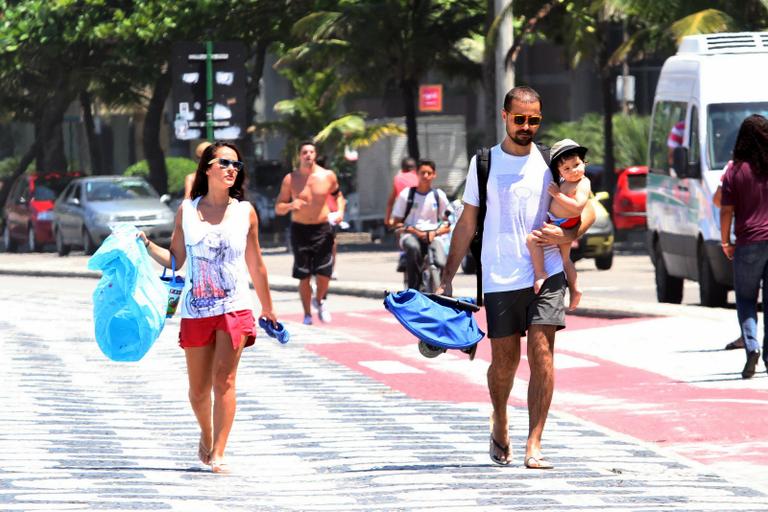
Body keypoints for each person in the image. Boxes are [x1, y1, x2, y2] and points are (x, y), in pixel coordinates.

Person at [437, 86, 595, 469]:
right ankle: (500, 418)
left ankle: (535, 443)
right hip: (499, 275)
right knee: (504, 362)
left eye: (534, 120)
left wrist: (571, 234)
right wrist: (446, 279)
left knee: (542, 355)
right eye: (520, 119)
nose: (527, 127)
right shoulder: (484, 163)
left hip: (546, 272)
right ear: (504, 116)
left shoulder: (550, 161)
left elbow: (587, 205)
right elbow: (467, 222)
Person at [139, 141, 278, 474]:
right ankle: (206, 432)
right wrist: (145, 244)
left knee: (224, 381)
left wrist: (267, 307)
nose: (232, 169)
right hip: (196, 309)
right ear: (207, 168)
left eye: (237, 165)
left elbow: (256, 264)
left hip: (235, 307)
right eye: (224, 163)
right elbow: (176, 259)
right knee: (199, 391)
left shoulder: (245, 212)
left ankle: (219, 451)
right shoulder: (188, 211)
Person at [719, 114, 768, 379]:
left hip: (748, 242)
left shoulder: (735, 171)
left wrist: (725, 240)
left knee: (747, 299)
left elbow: (726, 210)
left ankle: (752, 348)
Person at [275, 141, 341, 325]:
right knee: (303, 275)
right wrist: (290, 205)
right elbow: (278, 208)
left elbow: (338, 196)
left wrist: (340, 212)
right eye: (305, 152)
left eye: (311, 152)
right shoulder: (291, 179)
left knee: (324, 273)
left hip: (322, 228)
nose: (308, 155)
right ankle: (307, 314)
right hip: (300, 230)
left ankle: (319, 300)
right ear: (299, 156)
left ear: (316, 154)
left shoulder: (327, 176)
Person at [526, 139, 591, 310]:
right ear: (559, 171)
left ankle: (540, 273)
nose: (573, 171)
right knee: (565, 259)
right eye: (566, 168)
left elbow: (578, 208)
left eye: (576, 164)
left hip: (565, 223)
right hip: (557, 221)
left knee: (532, 239)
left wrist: (557, 195)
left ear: (584, 162)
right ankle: (575, 289)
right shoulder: (564, 182)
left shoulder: (583, 182)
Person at [390, 159, 452, 290]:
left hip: (433, 235)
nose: (426, 176)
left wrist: (435, 232)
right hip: (411, 235)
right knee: (413, 248)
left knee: (441, 260)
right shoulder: (406, 195)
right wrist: (412, 230)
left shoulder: (438, 195)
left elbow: (448, 221)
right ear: (417, 174)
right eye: (422, 172)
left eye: (429, 173)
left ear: (434, 175)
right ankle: (414, 290)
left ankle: (443, 289)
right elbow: (396, 222)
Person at [713, 171, 745, 351]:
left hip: (748, 239)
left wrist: (725, 242)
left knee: (747, 295)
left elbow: (720, 200)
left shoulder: (733, 168)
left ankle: (749, 340)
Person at [385, 157, 419, 228]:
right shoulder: (420, 177)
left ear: (402, 168)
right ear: (415, 168)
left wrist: (387, 219)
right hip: (420, 212)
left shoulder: (398, 178)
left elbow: (391, 201)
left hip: (403, 212)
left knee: (398, 229)